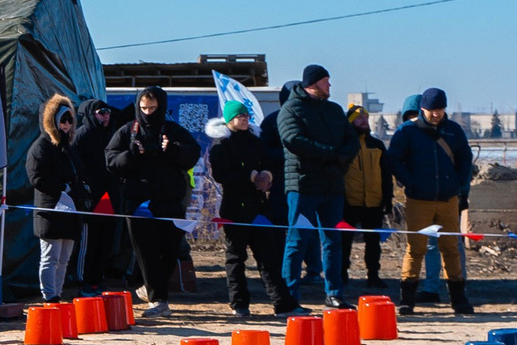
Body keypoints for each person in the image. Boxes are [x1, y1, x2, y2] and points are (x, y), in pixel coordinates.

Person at [105, 85, 202, 316]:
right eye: (143, 108)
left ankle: (150, 289)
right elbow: (111, 160)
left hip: (170, 200)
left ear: (161, 106)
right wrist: (131, 153)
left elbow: (193, 153)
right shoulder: (127, 131)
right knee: (145, 251)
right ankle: (158, 300)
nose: (148, 112)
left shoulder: (173, 130)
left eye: (153, 108)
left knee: (169, 250)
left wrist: (173, 149)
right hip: (139, 203)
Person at [384, 87, 476, 316]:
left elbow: (465, 159)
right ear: (422, 108)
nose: (436, 114)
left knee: (451, 249)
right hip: (419, 200)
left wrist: (461, 188)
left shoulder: (454, 131)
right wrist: (408, 182)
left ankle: (458, 299)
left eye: (440, 109)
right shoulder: (407, 132)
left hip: (448, 199)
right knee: (415, 249)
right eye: (432, 109)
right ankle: (407, 299)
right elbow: (393, 160)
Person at [273, 64, 356, 309]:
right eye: (326, 81)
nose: (330, 85)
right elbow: (293, 140)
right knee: (297, 240)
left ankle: (334, 293)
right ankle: (289, 297)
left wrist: (339, 162)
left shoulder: (334, 110)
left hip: (332, 186)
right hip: (302, 186)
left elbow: (351, 141)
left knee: (332, 240)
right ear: (313, 83)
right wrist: (331, 155)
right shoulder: (291, 108)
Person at [206, 100, 294, 315]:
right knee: (236, 258)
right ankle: (240, 304)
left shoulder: (256, 141)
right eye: (239, 116)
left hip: (259, 207)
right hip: (234, 207)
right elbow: (221, 174)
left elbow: (270, 163)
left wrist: (267, 176)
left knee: (268, 257)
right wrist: (251, 176)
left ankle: (281, 304)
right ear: (229, 120)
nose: (244, 119)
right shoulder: (221, 145)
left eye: (246, 116)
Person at [25, 95, 87, 303]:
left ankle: (57, 293)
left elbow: (78, 172)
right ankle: (49, 296)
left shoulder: (68, 147)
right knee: (50, 257)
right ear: (52, 121)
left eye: (70, 120)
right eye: (63, 120)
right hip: (50, 210)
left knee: (64, 259)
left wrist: (79, 191)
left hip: (70, 211)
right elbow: (36, 177)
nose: (67, 125)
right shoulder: (41, 146)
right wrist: (61, 188)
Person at [69, 99, 122, 289]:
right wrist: (85, 187)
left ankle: (98, 277)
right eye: (101, 112)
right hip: (91, 196)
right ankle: (83, 278)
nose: (106, 116)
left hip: (109, 195)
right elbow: (76, 164)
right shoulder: (81, 135)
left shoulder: (111, 134)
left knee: (105, 238)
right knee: (88, 240)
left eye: (108, 112)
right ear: (92, 114)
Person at [342, 104, 393, 289]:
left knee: (373, 243)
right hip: (349, 202)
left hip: (373, 201)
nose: (364, 121)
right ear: (350, 122)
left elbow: (386, 174)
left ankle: (373, 275)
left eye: (365, 118)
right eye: (358, 118)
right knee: (344, 242)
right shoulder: (344, 145)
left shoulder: (377, 145)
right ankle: (342, 274)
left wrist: (388, 198)